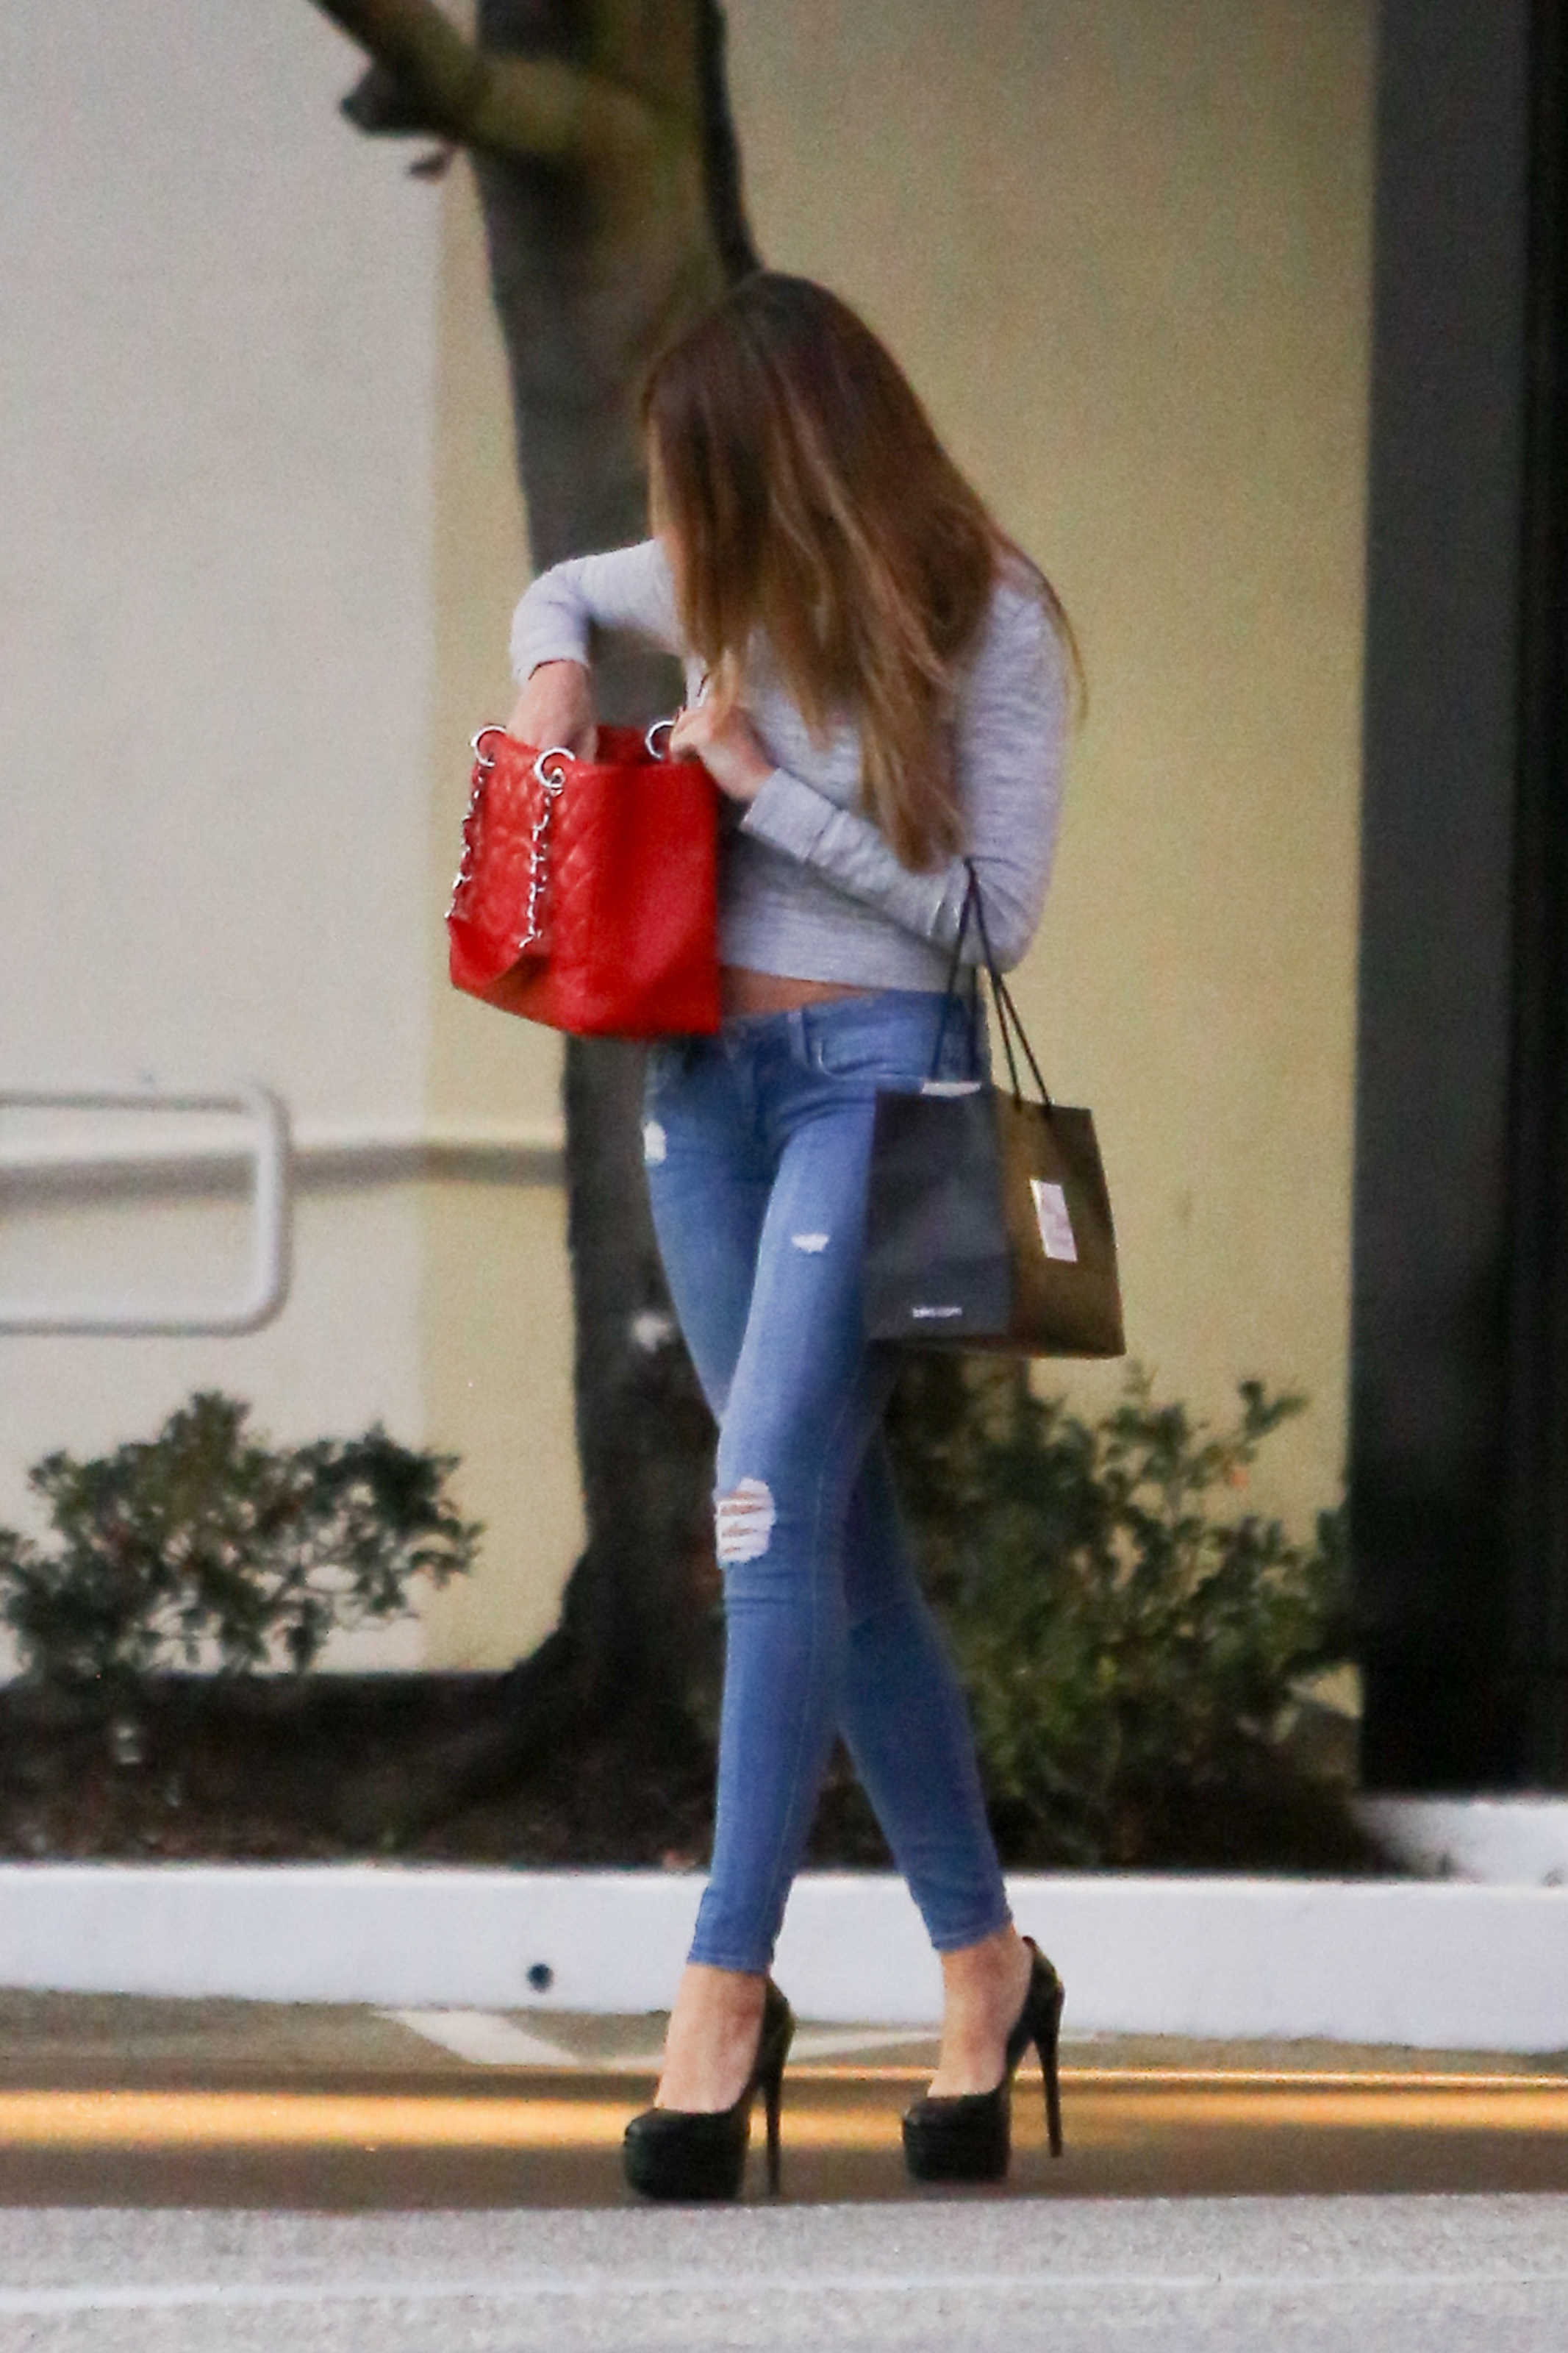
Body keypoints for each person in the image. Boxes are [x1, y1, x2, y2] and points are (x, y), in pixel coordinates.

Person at [506, 271, 1073, 2199]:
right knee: (846, 1548)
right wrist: (552, 674)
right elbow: (565, 591)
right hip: (706, 1101)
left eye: (701, 481)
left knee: (757, 1499)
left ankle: (723, 1993)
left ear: (790, 462)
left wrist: (763, 792)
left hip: (873, 1099)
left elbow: (991, 916)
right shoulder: (718, 576)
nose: (680, 531)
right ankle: (988, 1968)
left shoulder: (983, 610)